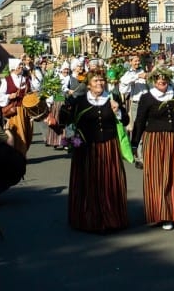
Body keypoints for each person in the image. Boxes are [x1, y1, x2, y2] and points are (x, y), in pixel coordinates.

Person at [59, 69, 129, 233]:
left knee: (109, 182)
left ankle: (111, 218)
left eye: (101, 80)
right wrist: (66, 106)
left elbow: (125, 120)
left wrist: (118, 110)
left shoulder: (112, 98)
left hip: (108, 147)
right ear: (88, 85)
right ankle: (89, 219)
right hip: (86, 148)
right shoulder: (80, 101)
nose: (99, 84)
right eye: (96, 81)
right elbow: (65, 120)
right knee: (89, 183)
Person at [130, 68, 174, 230]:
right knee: (159, 177)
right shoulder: (146, 97)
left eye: (164, 78)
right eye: (158, 79)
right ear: (153, 80)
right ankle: (162, 213)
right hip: (155, 141)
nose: (162, 81)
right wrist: (134, 143)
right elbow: (140, 121)